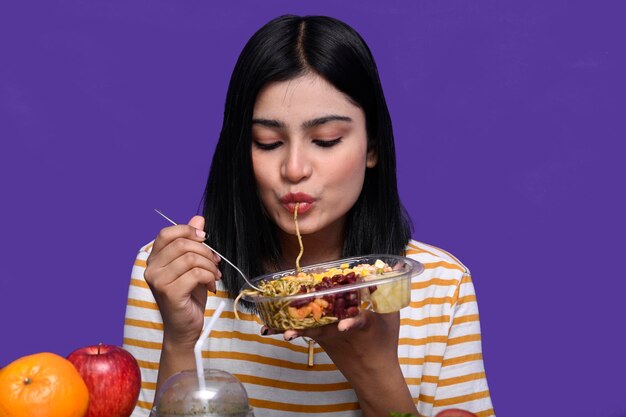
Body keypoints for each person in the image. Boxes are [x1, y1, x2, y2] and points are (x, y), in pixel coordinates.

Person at [124, 15, 495, 417]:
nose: (295, 168)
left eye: (325, 140)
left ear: (372, 148)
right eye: (268, 143)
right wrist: (181, 340)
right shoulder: (173, 275)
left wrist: (376, 370)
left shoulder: (443, 286)